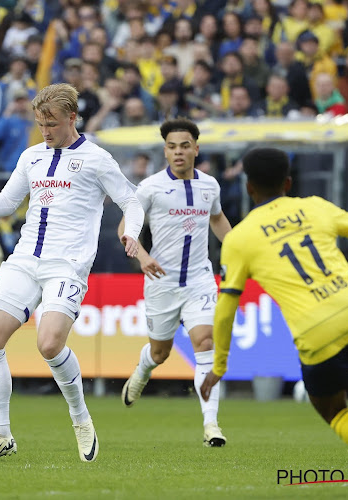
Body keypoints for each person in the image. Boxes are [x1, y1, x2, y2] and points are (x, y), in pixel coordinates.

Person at [200, 148, 348, 500]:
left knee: (334, 411)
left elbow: (225, 309)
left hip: (316, 332)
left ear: (249, 187)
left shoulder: (239, 240)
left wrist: (219, 365)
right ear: (288, 182)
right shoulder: (314, 206)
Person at [0, 83, 144, 462]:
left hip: (68, 265)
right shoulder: (31, 157)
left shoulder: (97, 159)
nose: (45, 130)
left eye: (52, 123)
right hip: (25, 259)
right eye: (41, 123)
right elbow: (7, 204)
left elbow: (132, 200)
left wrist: (133, 235)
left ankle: (80, 418)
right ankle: (1, 436)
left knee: (49, 344)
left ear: (72, 118)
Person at [118, 118, 232, 446]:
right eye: (172, 147)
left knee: (206, 342)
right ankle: (142, 371)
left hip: (200, 280)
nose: (178, 152)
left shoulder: (210, 186)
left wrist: (239, 250)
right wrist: (142, 257)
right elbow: (126, 229)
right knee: (160, 352)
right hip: (161, 282)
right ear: (165, 152)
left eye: (184, 146)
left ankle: (211, 425)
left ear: (196, 149)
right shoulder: (150, 188)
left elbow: (217, 219)